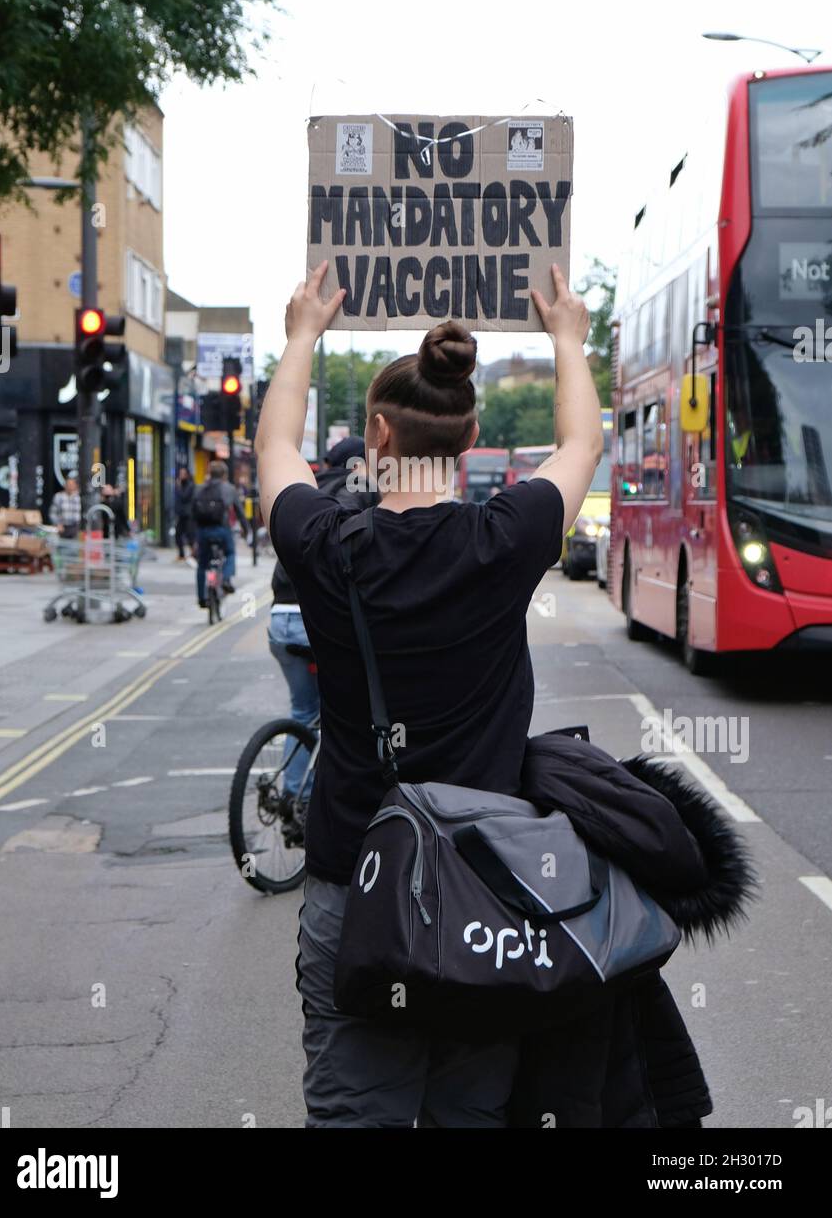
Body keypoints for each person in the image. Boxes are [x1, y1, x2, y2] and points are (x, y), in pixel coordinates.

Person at [256, 260, 604, 1128]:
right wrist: (567, 339)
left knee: (355, 1117)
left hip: (354, 881)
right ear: (472, 431)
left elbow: (274, 449)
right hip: (485, 897)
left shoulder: (327, 543)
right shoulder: (506, 536)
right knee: (470, 1115)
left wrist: (301, 334)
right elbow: (581, 445)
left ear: (375, 435)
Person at [268, 436, 377, 832]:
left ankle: (291, 794)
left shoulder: (309, 488)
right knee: (349, 714)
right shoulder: (363, 490)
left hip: (279, 617)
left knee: (303, 712)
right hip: (318, 616)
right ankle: (319, 807)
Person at [193, 460, 248, 608]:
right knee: (230, 553)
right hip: (221, 530)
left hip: (203, 532)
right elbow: (240, 513)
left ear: (209, 473)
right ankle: (225, 579)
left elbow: (193, 514)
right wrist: (246, 530)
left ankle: (201, 597)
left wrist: (193, 538)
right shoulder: (229, 489)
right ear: (224, 475)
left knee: (202, 565)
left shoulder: (199, 488)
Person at [174, 468, 196, 561]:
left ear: (187, 475)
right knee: (178, 534)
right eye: (180, 473)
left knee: (190, 535)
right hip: (182, 514)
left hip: (189, 515)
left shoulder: (190, 485)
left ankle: (194, 554)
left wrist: (178, 487)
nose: (181, 475)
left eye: (183, 474)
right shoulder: (181, 485)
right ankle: (181, 554)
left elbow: (184, 497)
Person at [49, 472, 81, 539]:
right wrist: (57, 524)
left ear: (76, 485)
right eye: (68, 484)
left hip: (76, 528)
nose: (70, 486)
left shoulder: (79, 497)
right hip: (62, 527)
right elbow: (53, 513)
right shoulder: (58, 496)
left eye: (72, 484)